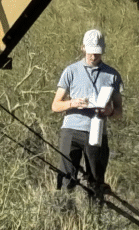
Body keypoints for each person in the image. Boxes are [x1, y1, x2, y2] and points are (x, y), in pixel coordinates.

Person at [51, 29, 124, 197]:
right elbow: (55, 105)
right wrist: (73, 103)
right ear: (83, 48)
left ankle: (93, 219)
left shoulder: (112, 75)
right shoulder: (70, 71)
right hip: (71, 130)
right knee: (65, 181)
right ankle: (66, 217)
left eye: (97, 53)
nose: (93, 56)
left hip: (97, 133)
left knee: (96, 183)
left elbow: (119, 111)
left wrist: (110, 111)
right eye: (91, 52)